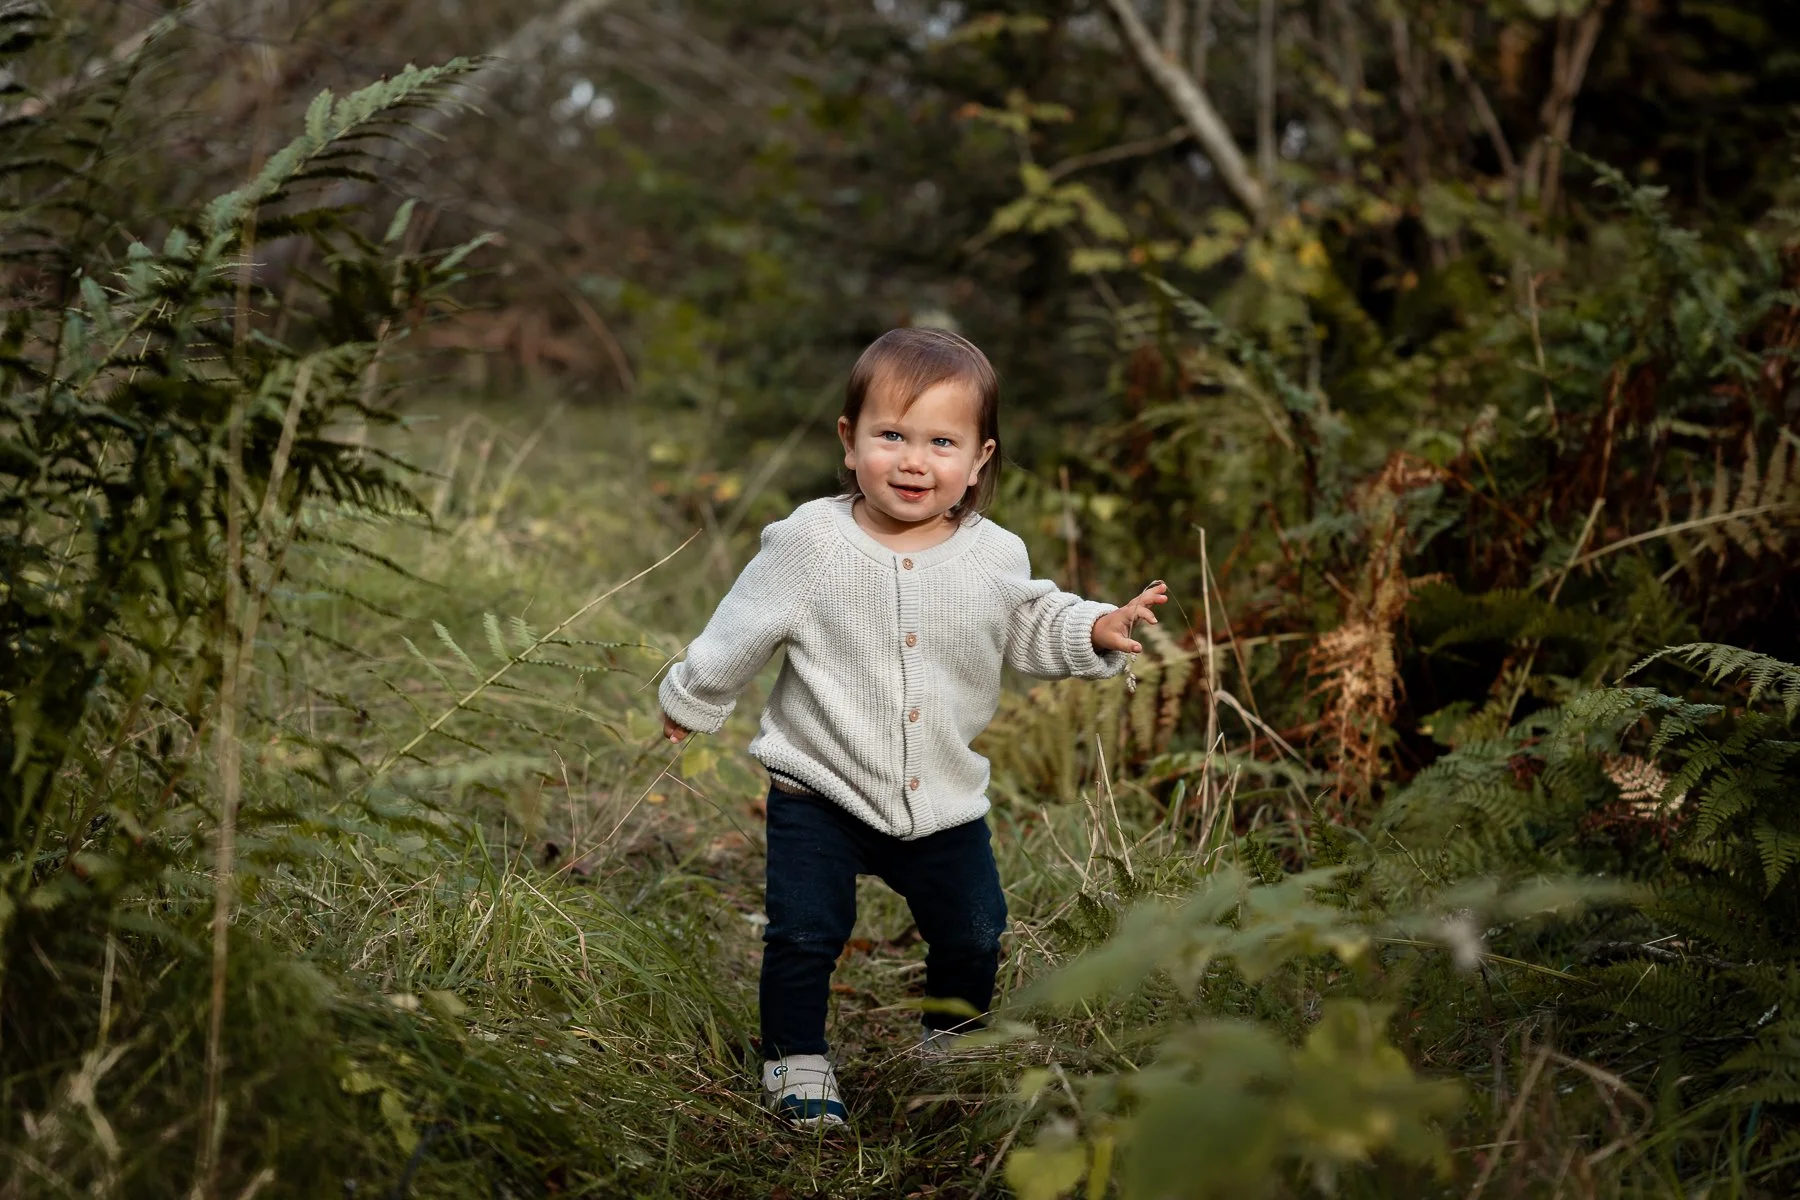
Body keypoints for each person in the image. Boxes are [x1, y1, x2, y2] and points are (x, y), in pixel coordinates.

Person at [658, 327, 1167, 1130]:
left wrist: (1097, 627)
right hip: (818, 784)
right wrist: (691, 697)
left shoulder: (992, 554)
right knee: (805, 933)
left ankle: (951, 1042)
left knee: (974, 928)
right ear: (849, 441)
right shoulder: (811, 544)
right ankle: (796, 1060)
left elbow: (1033, 622)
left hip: (942, 797)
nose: (913, 461)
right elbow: (741, 628)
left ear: (979, 459)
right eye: (890, 435)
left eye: (941, 442)